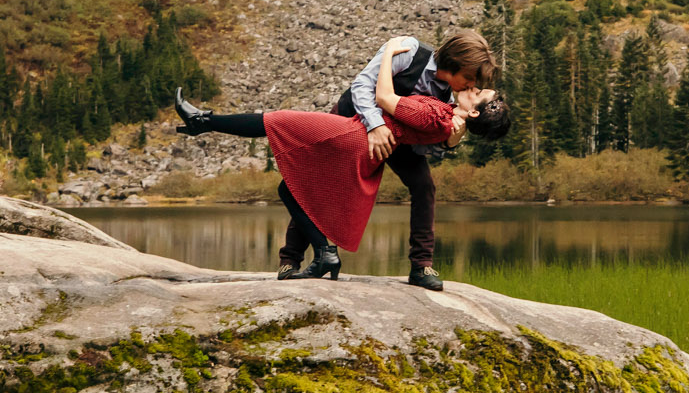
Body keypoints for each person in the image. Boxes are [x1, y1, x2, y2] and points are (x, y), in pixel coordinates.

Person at [174, 38, 510, 280]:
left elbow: (424, 140)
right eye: (470, 78)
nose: (470, 85)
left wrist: (449, 139)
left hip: (391, 137)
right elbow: (363, 86)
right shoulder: (409, 52)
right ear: (456, 64)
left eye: (475, 87)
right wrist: (376, 126)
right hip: (354, 121)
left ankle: (420, 266)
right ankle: (292, 259)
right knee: (306, 182)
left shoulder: (449, 99)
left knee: (424, 186)